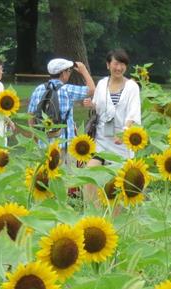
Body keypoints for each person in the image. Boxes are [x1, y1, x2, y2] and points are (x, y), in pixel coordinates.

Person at [84, 49, 141, 205]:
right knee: (89, 175)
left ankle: (114, 221)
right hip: (101, 141)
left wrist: (124, 134)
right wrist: (91, 105)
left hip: (121, 145)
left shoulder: (131, 87)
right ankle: (92, 212)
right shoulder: (102, 84)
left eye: (122, 64)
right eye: (116, 63)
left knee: (116, 186)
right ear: (108, 65)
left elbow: (133, 114)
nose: (119, 68)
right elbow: (99, 107)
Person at [27, 58, 95, 159]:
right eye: (68, 71)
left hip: (44, 144)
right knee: (64, 173)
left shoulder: (39, 89)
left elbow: (31, 116)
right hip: (64, 145)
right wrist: (84, 70)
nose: (69, 73)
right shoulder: (67, 90)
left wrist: (36, 136)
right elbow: (92, 90)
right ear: (63, 73)